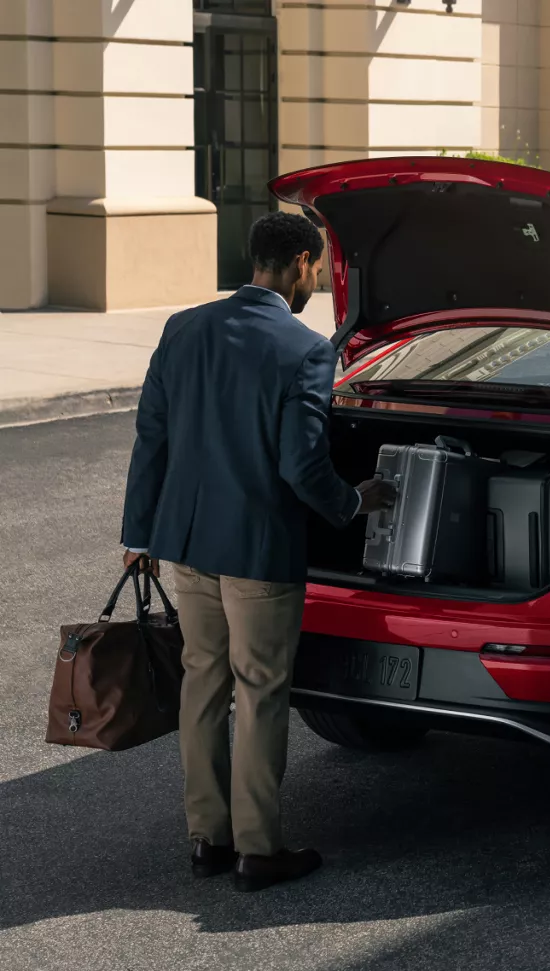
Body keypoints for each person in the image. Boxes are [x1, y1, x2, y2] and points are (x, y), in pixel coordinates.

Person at [120, 212, 396, 893]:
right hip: (258, 551)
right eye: (316, 266)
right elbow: (303, 465)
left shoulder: (182, 329)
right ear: (301, 263)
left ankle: (206, 838)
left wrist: (139, 537)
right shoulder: (303, 349)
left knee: (204, 685)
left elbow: (150, 437)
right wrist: (356, 502)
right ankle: (258, 849)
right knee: (262, 692)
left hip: (188, 544)